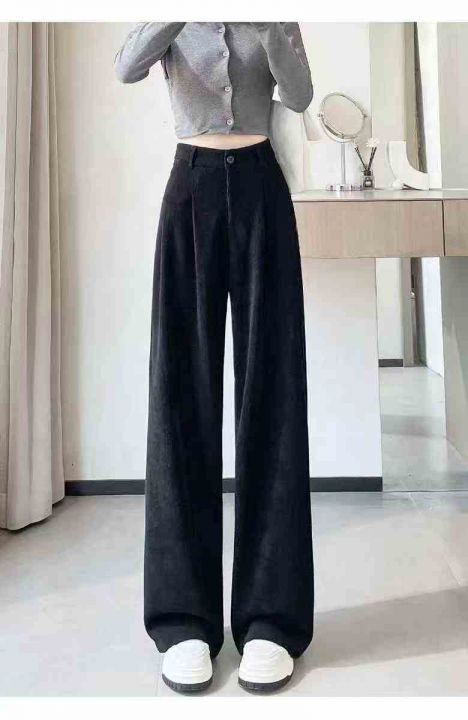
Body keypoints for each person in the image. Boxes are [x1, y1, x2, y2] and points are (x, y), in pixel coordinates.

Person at [114, 21, 314, 694]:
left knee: (273, 394)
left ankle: (271, 621)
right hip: (191, 189)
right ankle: (184, 623)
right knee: (180, 398)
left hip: (262, 190)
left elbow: (300, 94)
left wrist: (271, 22)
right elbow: (127, 66)